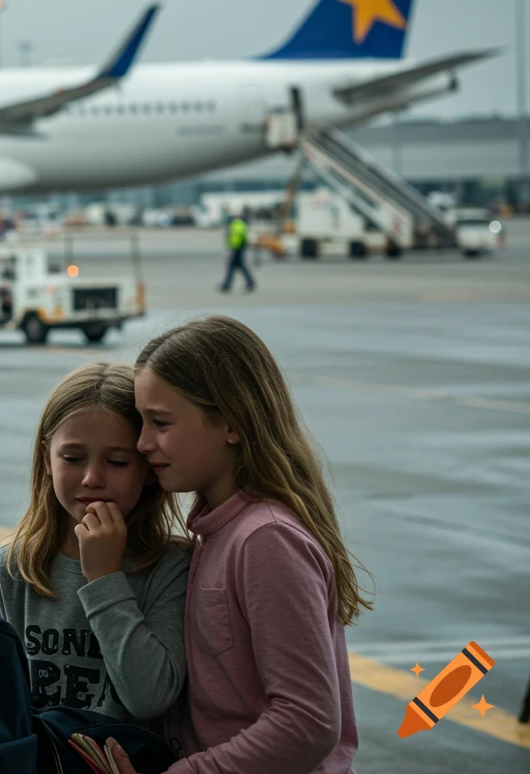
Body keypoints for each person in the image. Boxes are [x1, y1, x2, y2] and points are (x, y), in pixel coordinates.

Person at [133, 315, 372, 773]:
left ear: (230, 424)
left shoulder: (266, 540)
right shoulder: (217, 532)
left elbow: (309, 721)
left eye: (160, 423)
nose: (143, 442)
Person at [0, 362, 191, 732]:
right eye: (73, 458)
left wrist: (105, 577)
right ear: (46, 458)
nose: (92, 478)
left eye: (117, 462)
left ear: (148, 467)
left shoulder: (171, 566)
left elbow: (149, 698)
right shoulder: (13, 569)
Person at [219, 210, 255, 293]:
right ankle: (250, 282)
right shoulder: (241, 224)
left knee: (232, 266)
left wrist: (232, 246)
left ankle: (227, 285)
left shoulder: (237, 224)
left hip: (237, 248)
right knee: (240, 266)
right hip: (238, 247)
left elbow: (237, 236)